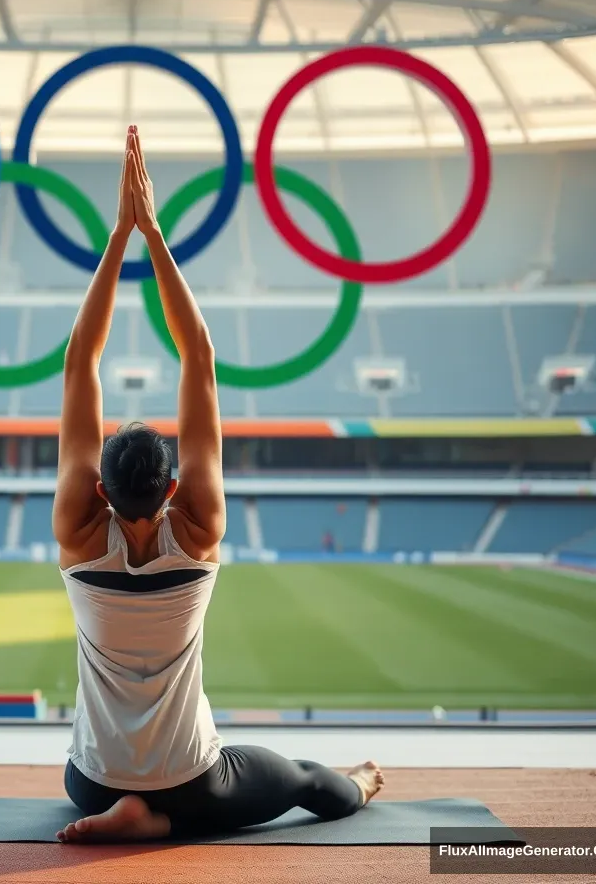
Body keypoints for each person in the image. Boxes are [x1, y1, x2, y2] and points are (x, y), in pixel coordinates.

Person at [52, 126, 384, 843]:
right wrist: (153, 233)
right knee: (298, 778)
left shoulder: (79, 533)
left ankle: (135, 809)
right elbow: (197, 354)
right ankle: (359, 783)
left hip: (92, 780)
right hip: (193, 778)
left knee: (83, 774)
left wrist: (119, 237)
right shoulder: (198, 528)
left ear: (102, 492)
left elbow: (81, 360)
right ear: (172, 490)